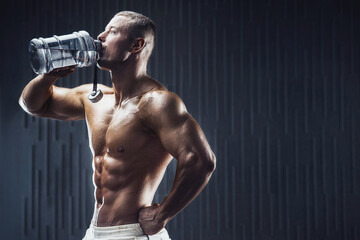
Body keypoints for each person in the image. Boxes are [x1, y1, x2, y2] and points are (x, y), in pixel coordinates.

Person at [19, 11, 216, 240]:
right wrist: (49, 76)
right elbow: (33, 105)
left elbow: (201, 160)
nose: (100, 36)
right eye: (104, 30)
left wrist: (162, 214)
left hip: (133, 234)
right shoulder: (96, 98)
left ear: (136, 45)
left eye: (112, 31)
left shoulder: (157, 102)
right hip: (94, 233)